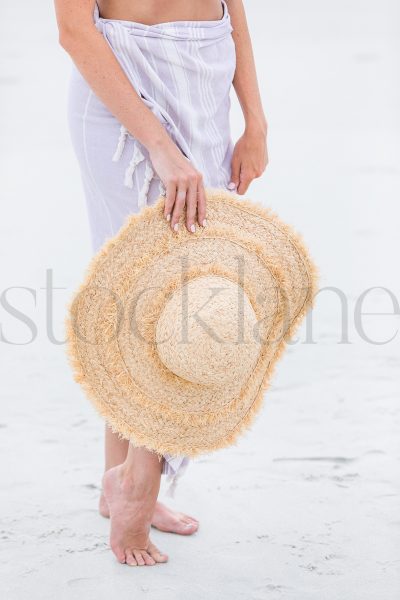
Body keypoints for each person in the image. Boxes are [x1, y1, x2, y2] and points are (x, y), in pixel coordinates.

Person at [55, 0, 268, 566]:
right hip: (119, 82)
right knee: (144, 294)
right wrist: (158, 145)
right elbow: (75, 31)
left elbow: (234, 8)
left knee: (189, 284)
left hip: (205, 78)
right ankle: (138, 481)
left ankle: (117, 477)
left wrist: (256, 121)